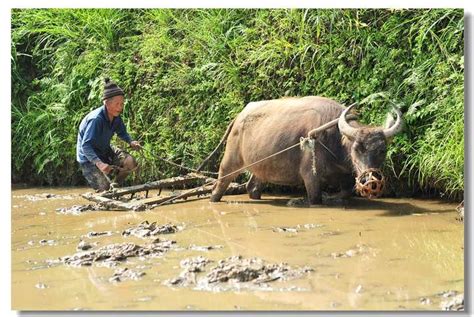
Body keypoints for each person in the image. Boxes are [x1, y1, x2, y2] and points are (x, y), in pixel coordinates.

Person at [76, 78, 141, 191]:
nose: (120, 107)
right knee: (104, 189)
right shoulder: (96, 120)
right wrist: (99, 164)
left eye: (122, 104)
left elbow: (122, 132)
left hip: (105, 150)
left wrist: (131, 141)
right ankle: (107, 189)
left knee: (130, 162)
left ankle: (115, 185)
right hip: (89, 158)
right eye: (117, 104)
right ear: (107, 103)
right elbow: (86, 146)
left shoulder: (116, 117)